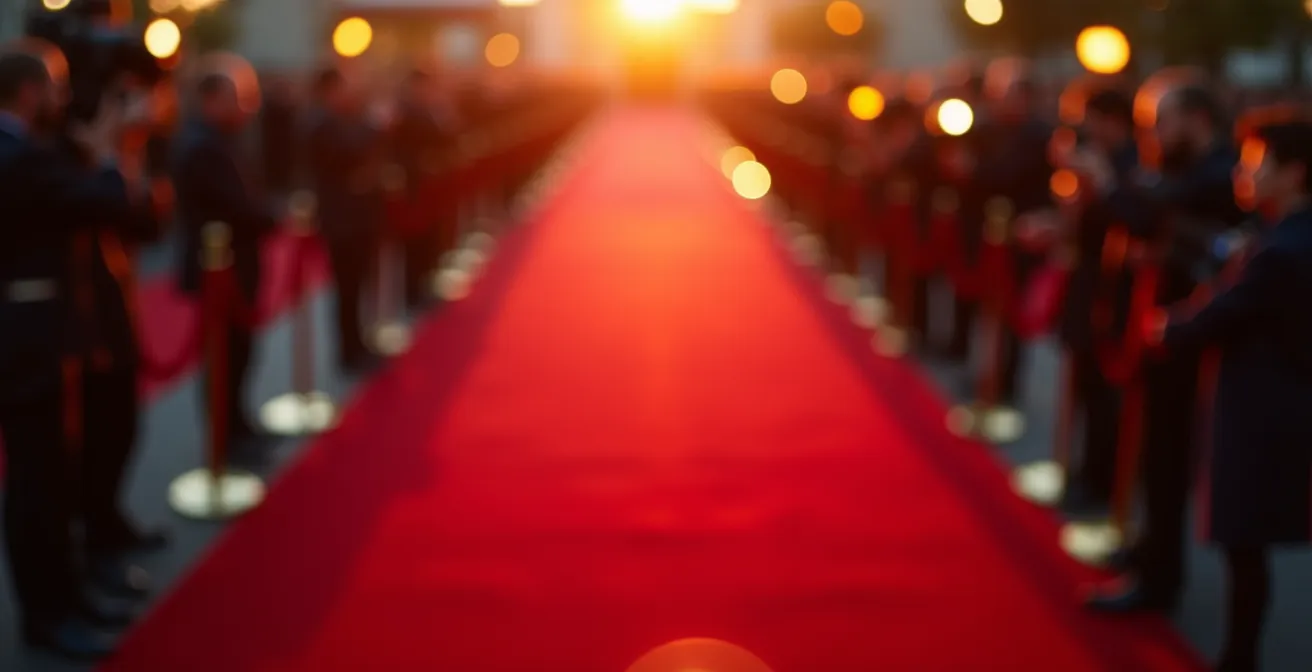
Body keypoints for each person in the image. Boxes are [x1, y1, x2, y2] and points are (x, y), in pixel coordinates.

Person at [0, 47, 149, 659]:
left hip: (40, 338)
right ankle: (46, 614)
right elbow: (107, 200)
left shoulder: (26, 151)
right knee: (37, 486)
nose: (64, 99)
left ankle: (68, 595)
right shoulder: (18, 154)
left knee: (55, 477)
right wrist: (113, 147)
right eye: (57, 87)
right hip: (27, 343)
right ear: (29, 92)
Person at [1150, 118, 1312, 672]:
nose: (1242, 173)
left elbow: (1222, 314)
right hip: (1275, 402)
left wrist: (1169, 326)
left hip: (1263, 410)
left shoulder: (1283, 249)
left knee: (1246, 545)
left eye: (1255, 163)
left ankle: (1239, 658)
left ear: (1294, 173)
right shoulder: (1279, 234)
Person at [1086, 84, 1245, 613]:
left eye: (1162, 122)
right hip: (1162, 328)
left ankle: (1161, 576)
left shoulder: (1218, 174)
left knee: (1169, 459)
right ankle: (1150, 547)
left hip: (1191, 338)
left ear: (1197, 118)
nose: (1153, 135)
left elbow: (1148, 214)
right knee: (1154, 452)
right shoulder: (1182, 169)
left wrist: (1107, 183)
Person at [173, 67, 278, 444]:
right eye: (236, 98)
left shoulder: (220, 139)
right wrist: (270, 218)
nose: (245, 107)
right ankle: (224, 438)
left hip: (235, 263)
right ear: (211, 99)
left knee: (239, 353)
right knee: (224, 356)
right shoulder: (201, 145)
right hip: (220, 268)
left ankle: (236, 424)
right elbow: (235, 206)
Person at [1054, 86, 1138, 510]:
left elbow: (1130, 219)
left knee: (1107, 392)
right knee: (1086, 383)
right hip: (1087, 281)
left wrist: (1102, 181)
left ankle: (1103, 482)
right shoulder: (1093, 161)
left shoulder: (1134, 163)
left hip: (1116, 291)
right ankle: (1084, 471)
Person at [972, 63, 1055, 407]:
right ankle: (988, 377)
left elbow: (1008, 173)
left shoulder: (1039, 135)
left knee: (1014, 312)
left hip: (1024, 232)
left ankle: (1007, 383)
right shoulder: (990, 128)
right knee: (991, 309)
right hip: (994, 233)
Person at [307, 66, 384, 371]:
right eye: (344, 88)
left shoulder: (342, 118)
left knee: (357, 285)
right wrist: (376, 125)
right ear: (330, 90)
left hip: (357, 216)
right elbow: (352, 149)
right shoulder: (320, 123)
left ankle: (357, 343)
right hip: (341, 219)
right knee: (347, 288)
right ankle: (348, 351)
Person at [391, 68, 452, 308]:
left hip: (430, 187)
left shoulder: (430, 111)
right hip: (413, 187)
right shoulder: (404, 113)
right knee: (415, 243)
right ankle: (413, 293)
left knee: (430, 239)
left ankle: (425, 284)